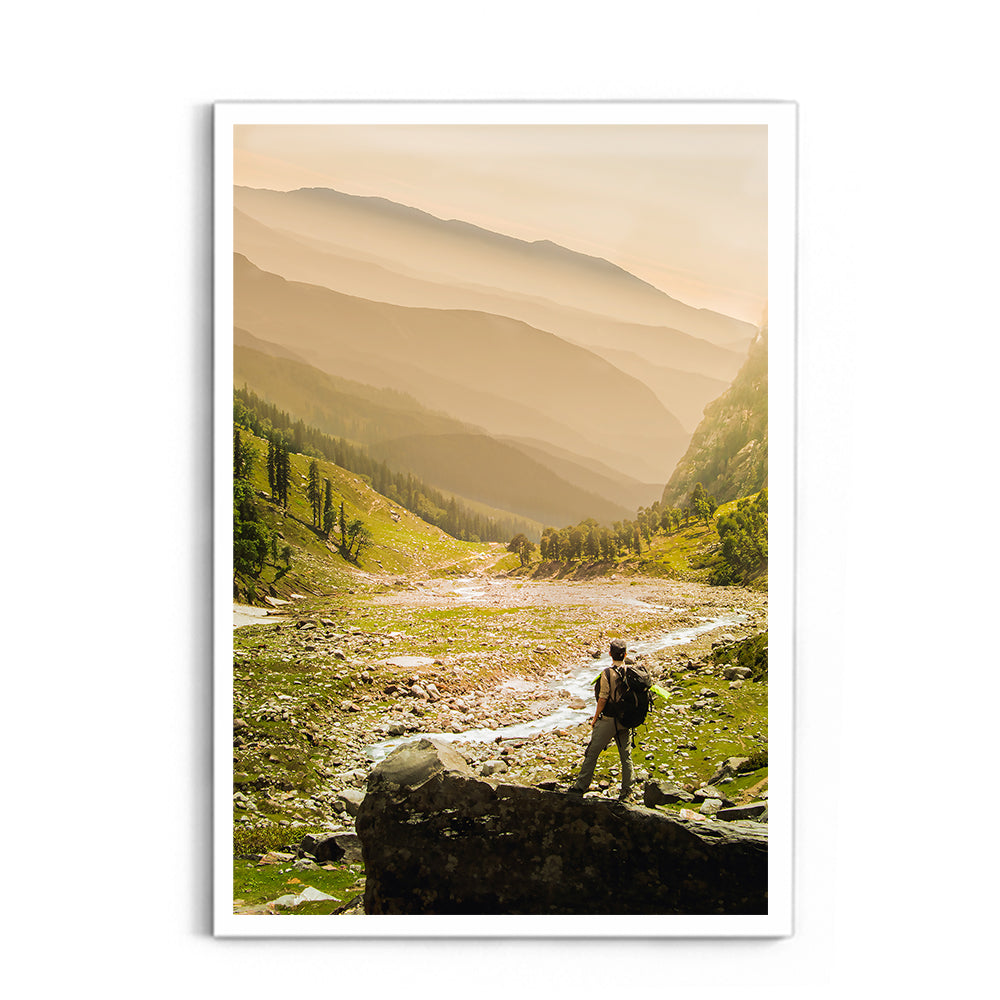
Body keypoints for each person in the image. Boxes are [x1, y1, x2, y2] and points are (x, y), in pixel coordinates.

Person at [567, 638, 633, 801]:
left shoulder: (607, 673)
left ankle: (580, 786)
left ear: (610, 654)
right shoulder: (632, 673)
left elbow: (603, 698)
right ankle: (627, 791)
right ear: (625, 654)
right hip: (626, 720)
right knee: (626, 756)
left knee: (592, 752)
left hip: (609, 720)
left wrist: (595, 718)